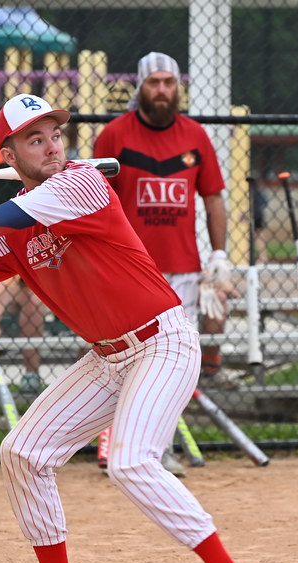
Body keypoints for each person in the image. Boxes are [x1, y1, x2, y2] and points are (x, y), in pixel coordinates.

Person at [0, 93, 268, 563]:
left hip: (162, 342)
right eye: (35, 140)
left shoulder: (80, 183)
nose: (53, 146)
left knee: (130, 460)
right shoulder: (16, 225)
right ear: (8, 155)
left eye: (55, 135)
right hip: (106, 358)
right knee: (23, 451)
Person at [93, 51, 237, 475]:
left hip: (183, 267)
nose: (161, 90)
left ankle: (157, 450)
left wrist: (218, 255)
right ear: (140, 86)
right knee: (128, 357)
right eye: (153, 82)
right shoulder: (114, 135)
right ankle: (124, 445)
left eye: (168, 83)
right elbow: (93, 199)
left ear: (178, 87)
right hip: (129, 267)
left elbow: (213, 198)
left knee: (175, 363)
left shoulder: (195, 135)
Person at [0, 276, 46, 392]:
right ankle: (31, 373)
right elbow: (0, 295)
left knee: (34, 302)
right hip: (28, 289)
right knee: (32, 304)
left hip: (57, 283)